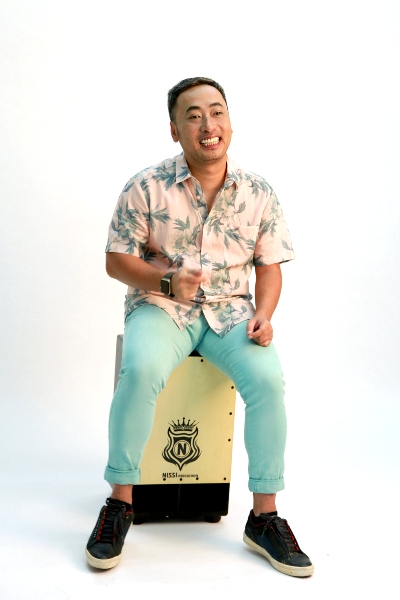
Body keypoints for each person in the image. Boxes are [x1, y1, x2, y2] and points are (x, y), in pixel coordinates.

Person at [85, 77, 314, 577]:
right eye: (193, 115)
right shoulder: (145, 186)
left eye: (216, 111)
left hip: (231, 312)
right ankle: (120, 503)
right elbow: (115, 261)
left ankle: (264, 517)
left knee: (268, 379)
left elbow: (269, 266)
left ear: (229, 121)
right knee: (141, 369)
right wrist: (167, 281)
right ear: (174, 130)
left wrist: (264, 314)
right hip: (161, 307)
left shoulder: (258, 192)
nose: (208, 124)